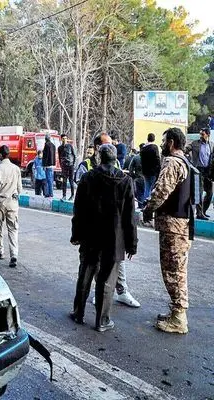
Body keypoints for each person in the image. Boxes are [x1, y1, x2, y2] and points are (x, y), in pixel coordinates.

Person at [70, 144, 137, 332]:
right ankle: (102, 321)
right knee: (107, 280)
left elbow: (79, 210)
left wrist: (76, 235)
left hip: (90, 237)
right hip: (114, 240)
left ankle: (78, 313)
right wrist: (131, 244)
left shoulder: (88, 178)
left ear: (99, 157)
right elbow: (129, 217)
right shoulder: (125, 181)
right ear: (115, 159)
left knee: (85, 274)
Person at [143, 128, 194, 334]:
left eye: (164, 141)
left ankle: (179, 318)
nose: (163, 145)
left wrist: (148, 209)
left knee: (174, 271)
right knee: (176, 269)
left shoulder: (173, 162)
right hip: (181, 225)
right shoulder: (186, 162)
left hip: (174, 226)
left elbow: (161, 191)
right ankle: (175, 312)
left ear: (171, 143)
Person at [0, 145, 22, 268]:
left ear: (0, 155)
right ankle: (14, 254)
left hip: (0, 204)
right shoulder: (16, 169)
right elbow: (19, 188)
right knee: (13, 229)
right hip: (13, 204)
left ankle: (0, 251)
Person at [185, 127, 213, 219]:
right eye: (200, 134)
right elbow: (186, 149)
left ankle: (203, 211)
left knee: (210, 193)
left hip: (208, 171)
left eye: (203, 134)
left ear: (208, 135)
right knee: (199, 192)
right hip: (198, 170)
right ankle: (199, 214)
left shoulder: (212, 145)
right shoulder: (194, 143)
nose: (200, 136)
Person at [140, 133, 161, 208]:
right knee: (153, 188)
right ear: (154, 139)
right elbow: (157, 159)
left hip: (145, 171)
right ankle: (150, 205)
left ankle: (144, 204)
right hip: (153, 171)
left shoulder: (143, 148)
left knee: (147, 188)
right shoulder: (154, 147)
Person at [57, 133, 76, 200]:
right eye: (63, 138)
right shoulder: (59, 148)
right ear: (61, 139)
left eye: (65, 138)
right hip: (64, 166)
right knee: (64, 181)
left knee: (71, 181)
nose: (64, 140)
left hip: (70, 165)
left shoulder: (70, 146)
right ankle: (64, 196)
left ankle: (72, 195)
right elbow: (59, 157)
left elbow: (74, 155)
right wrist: (61, 166)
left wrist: (73, 164)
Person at [42, 134, 56, 198]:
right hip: (52, 165)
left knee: (48, 180)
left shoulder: (47, 145)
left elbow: (46, 156)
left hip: (48, 165)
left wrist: (44, 165)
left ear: (46, 138)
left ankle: (49, 194)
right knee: (51, 179)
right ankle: (50, 193)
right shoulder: (53, 145)